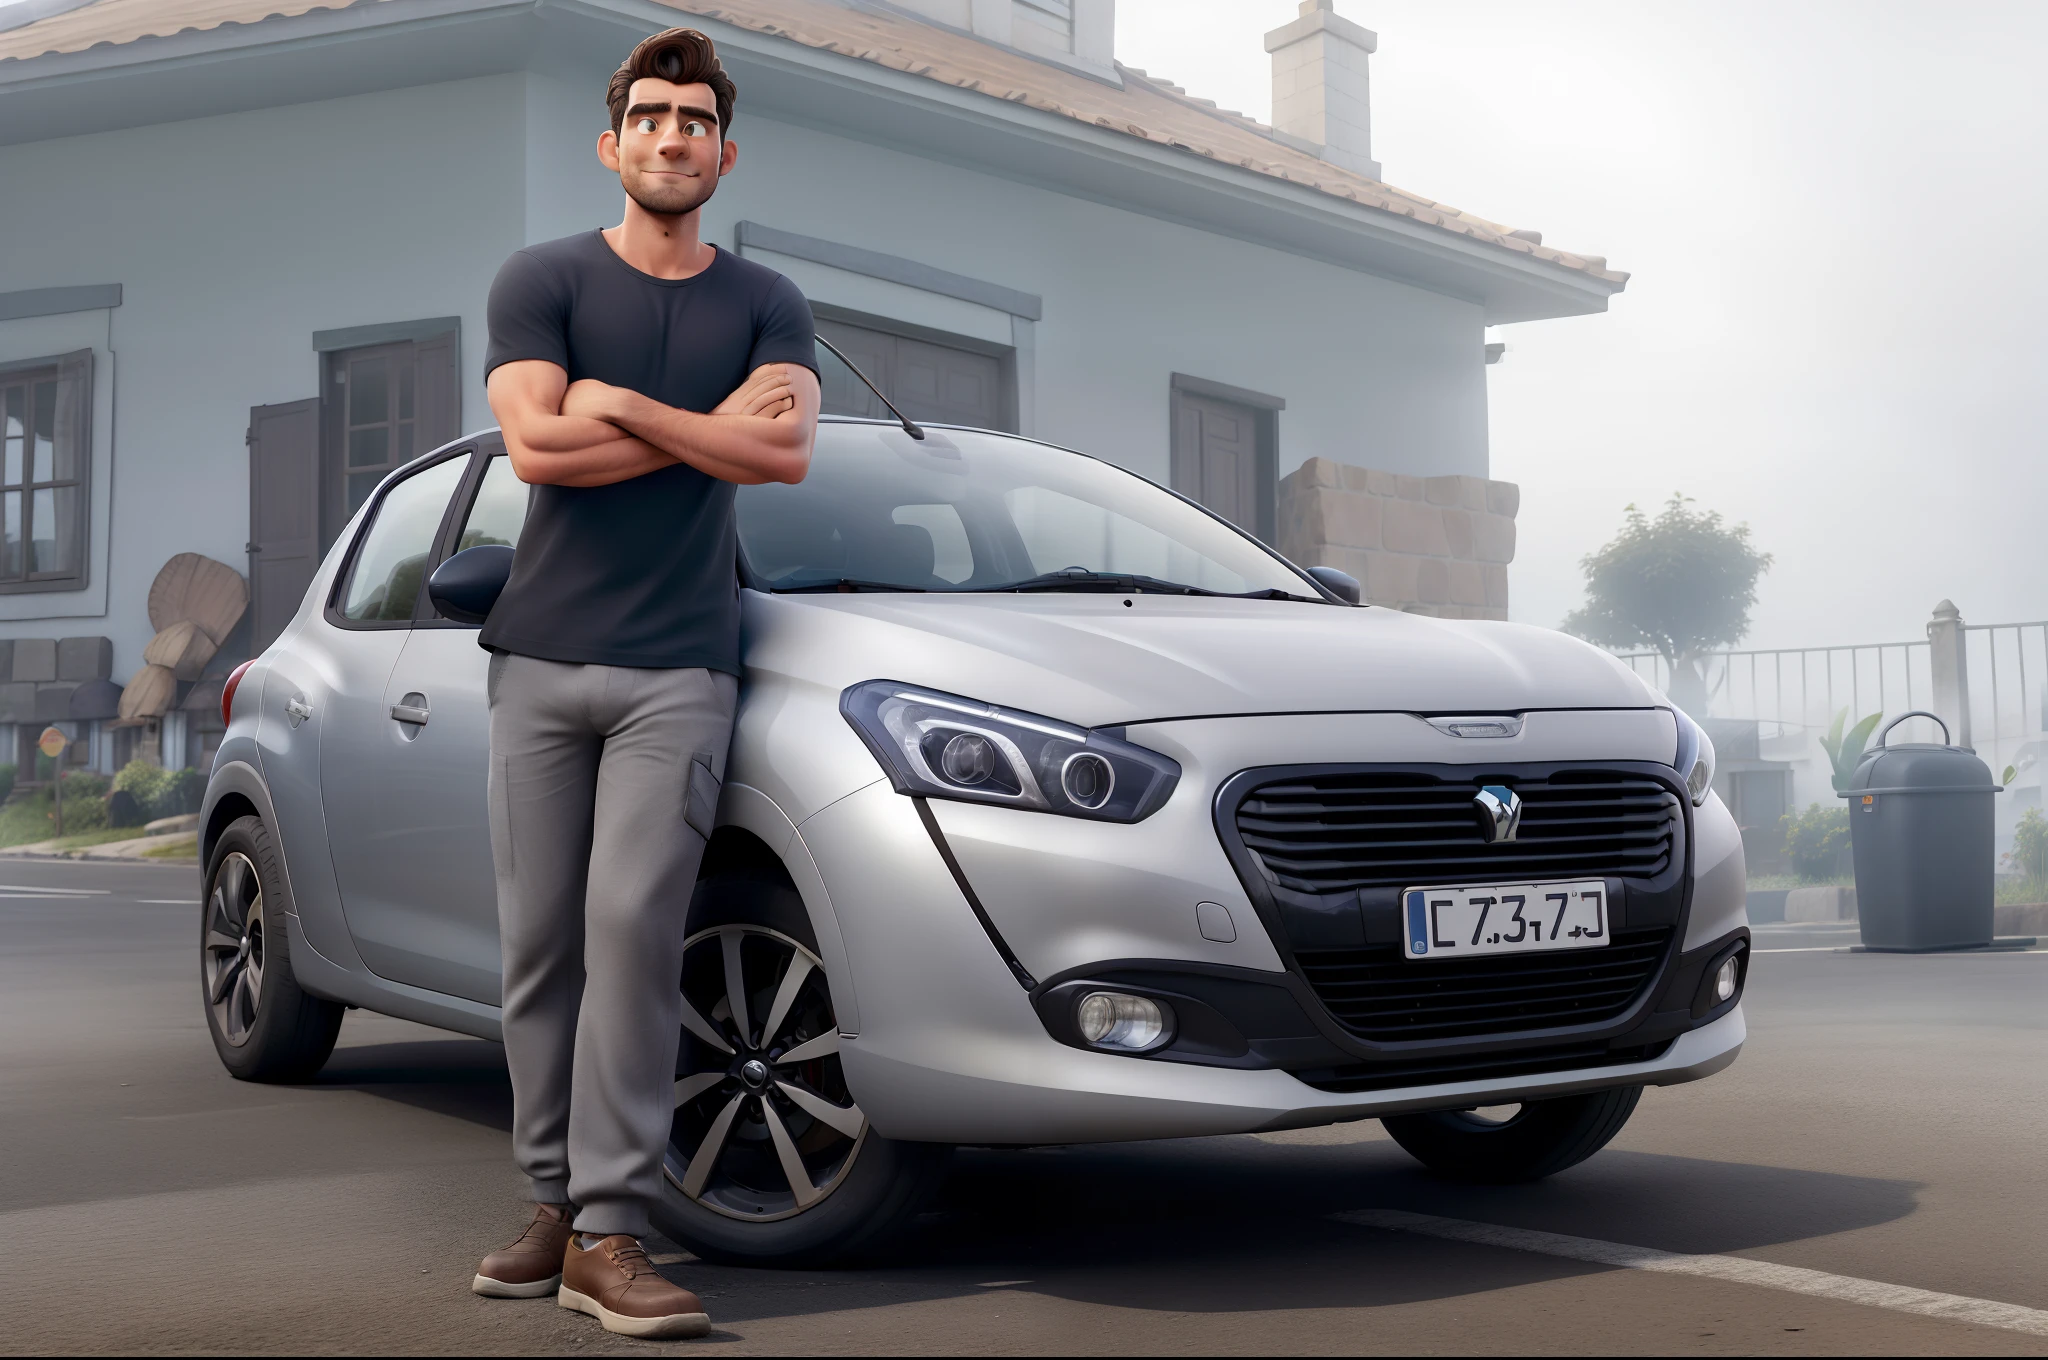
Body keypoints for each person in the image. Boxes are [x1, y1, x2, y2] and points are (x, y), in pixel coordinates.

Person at [468, 26, 819, 1341]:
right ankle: (553, 1209)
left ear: (725, 152)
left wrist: (621, 404)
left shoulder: (767, 302)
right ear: (612, 143)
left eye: (696, 120)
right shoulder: (541, 277)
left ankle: (612, 1227)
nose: (674, 135)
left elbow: (780, 460)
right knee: (541, 948)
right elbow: (537, 451)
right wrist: (705, 433)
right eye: (652, 116)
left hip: (682, 665)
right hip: (540, 661)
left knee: (630, 938)